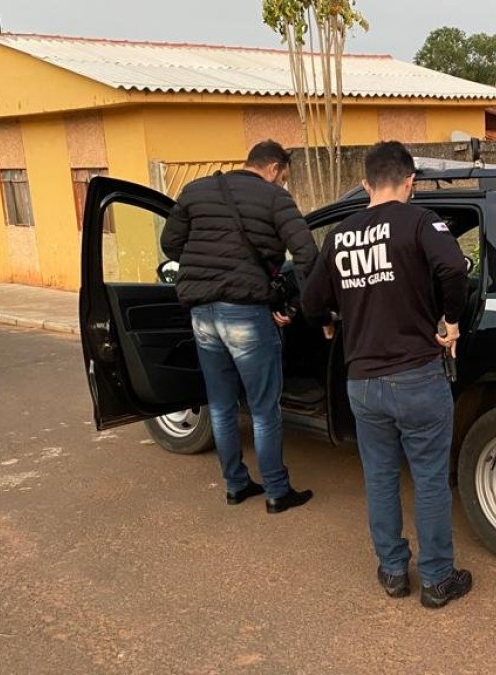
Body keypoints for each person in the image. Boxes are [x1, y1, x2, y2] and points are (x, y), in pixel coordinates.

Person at [302, 141, 472, 609]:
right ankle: (437, 579)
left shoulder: (339, 235)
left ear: (365, 184)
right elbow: (453, 269)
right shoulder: (419, 221)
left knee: (379, 478)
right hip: (417, 376)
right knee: (429, 480)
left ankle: (393, 571)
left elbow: (311, 301)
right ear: (409, 180)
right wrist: (451, 320)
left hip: (362, 382)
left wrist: (330, 320)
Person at [161, 140, 317, 514]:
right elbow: (307, 253)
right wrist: (301, 304)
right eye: (284, 177)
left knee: (220, 405)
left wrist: (206, 265)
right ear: (275, 168)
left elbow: (170, 244)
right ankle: (277, 491)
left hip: (202, 313)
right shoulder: (275, 199)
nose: (282, 183)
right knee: (264, 408)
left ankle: (235, 484)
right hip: (246, 313)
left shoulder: (195, 190)